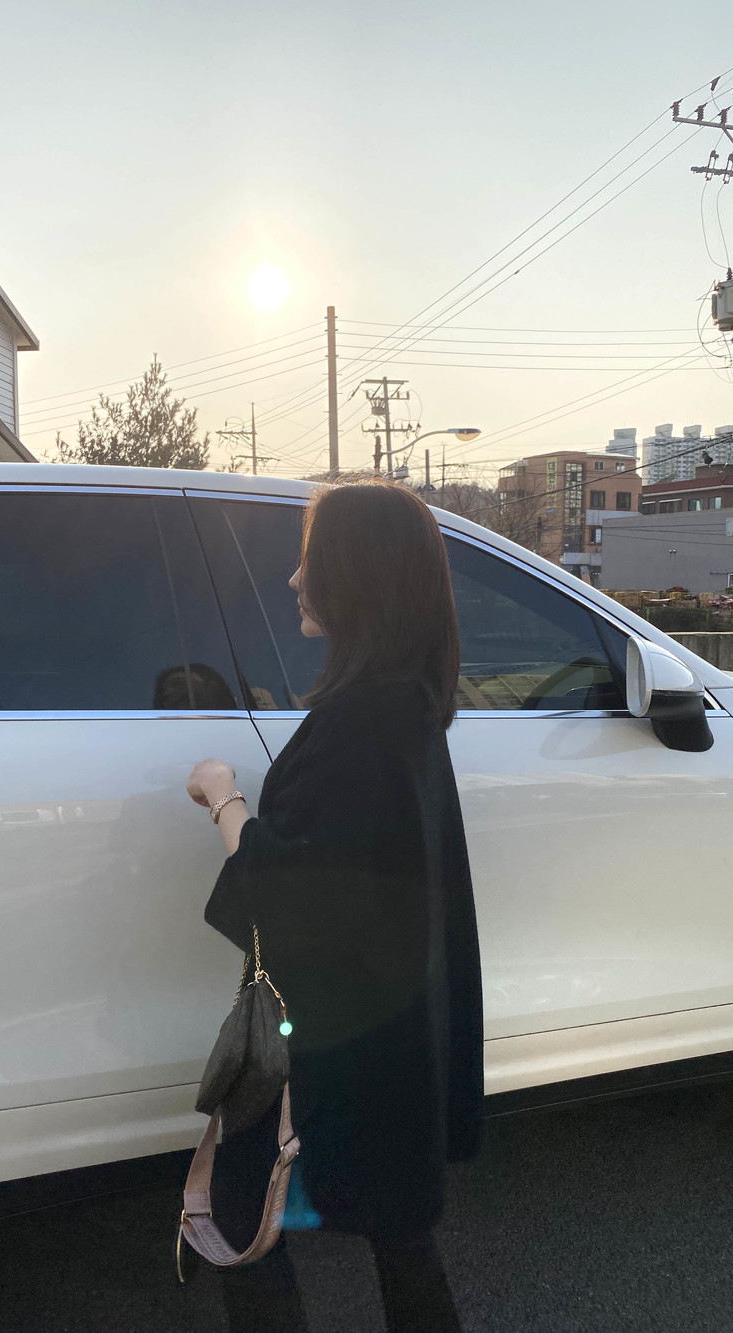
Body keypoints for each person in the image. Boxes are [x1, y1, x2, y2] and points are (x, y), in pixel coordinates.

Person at [186, 481, 483, 1333]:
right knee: (398, 1228)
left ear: (359, 577)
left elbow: (287, 896)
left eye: (311, 560)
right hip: (392, 1031)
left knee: (238, 1210)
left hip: (330, 1037)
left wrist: (222, 796)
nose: (293, 580)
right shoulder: (407, 706)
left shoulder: (359, 721)